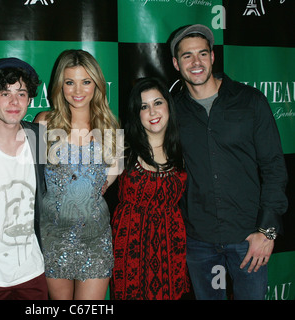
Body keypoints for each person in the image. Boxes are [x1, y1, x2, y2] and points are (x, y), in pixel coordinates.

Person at [170, 24, 288, 300]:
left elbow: (274, 167)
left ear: (212, 57)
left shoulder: (250, 101)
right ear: (176, 64)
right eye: (187, 56)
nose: (196, 62)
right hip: (199, 242)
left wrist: (267, 232)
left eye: (202, 53)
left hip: (249, 239)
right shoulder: (173, 111)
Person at [34, 49, 121, 300]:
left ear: (97, 85)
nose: (77, 90)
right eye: (69, 82)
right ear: (60, 86)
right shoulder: (44, 123)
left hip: (95, 239)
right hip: (53, 238)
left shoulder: (110, 128)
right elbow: (34, 178)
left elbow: (105, 185)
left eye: (86, 82)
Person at [0, 57, 48, 300]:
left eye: (21, 93)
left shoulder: (40, 138)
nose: (15, 102)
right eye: (5, 93)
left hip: (33, 270)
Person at [111, 77, 189, 300]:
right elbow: (98, 188)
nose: (152, 112)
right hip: (129, 248)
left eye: (157, 102)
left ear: (168, 105)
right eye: (144, 106)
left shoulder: (183, 148)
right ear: (137, 113)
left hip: (170, 244)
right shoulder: (121, 145)